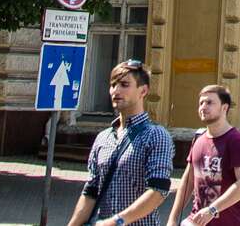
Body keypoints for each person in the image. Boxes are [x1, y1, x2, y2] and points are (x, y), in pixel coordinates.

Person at [67, 60, 174, 226]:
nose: (116, 90)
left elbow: (158, 191)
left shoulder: (156, 135)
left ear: (143, 91)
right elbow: (90, 191)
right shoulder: (103, 138)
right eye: (113, 84)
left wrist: (117, 221)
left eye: (124, 84)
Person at [170, 84, 240, 226]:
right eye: (201, 103)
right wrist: (173, 218)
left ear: (224, 108)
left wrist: (212, 209)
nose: (203, 107)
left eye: (209, 102)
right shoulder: (198, 139)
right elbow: (188, 181)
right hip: (196, 221)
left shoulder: (237, 140)